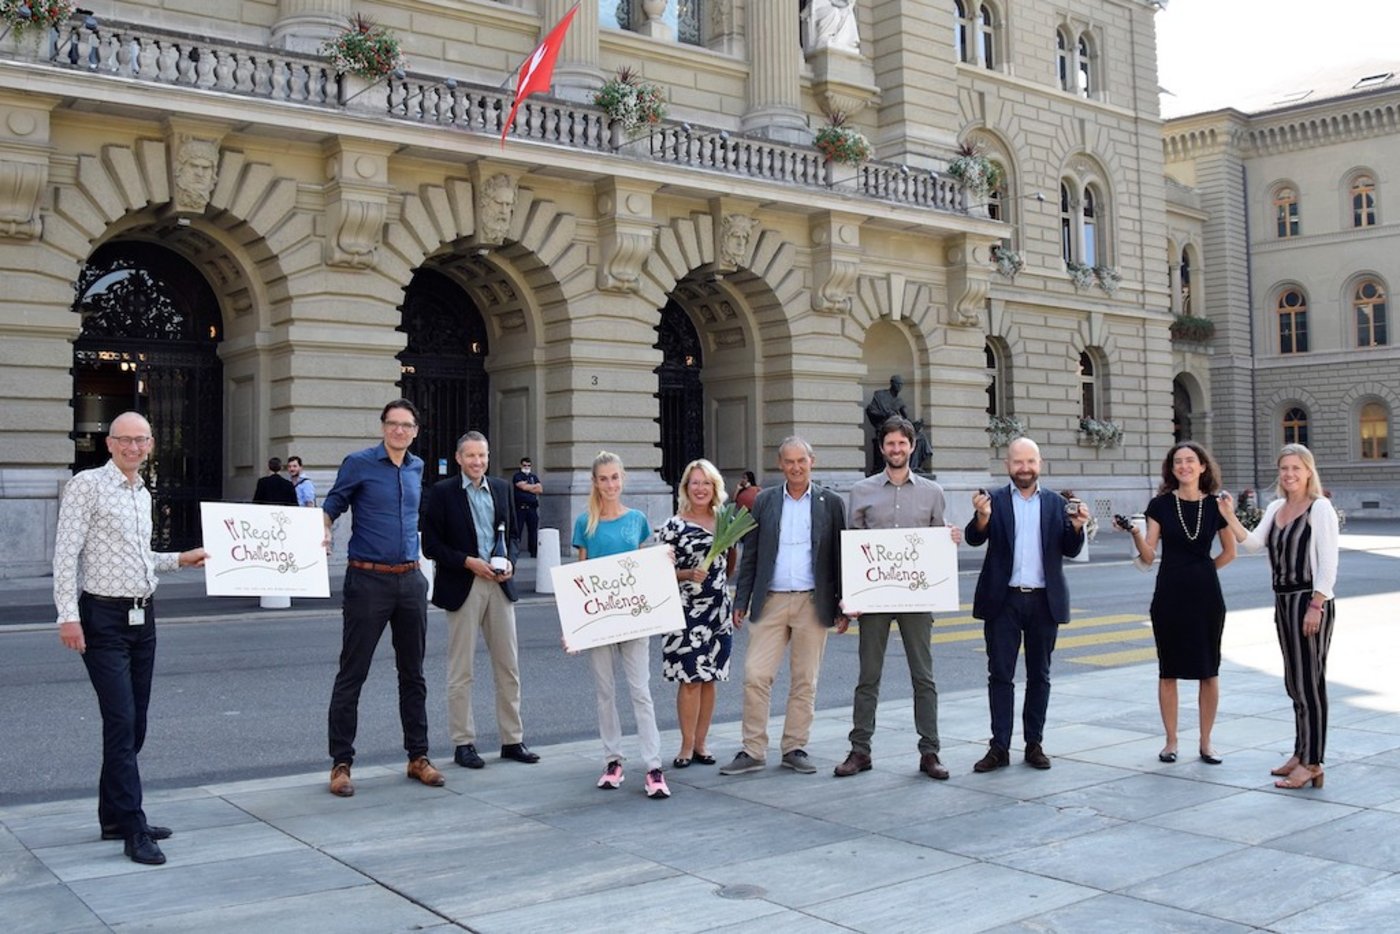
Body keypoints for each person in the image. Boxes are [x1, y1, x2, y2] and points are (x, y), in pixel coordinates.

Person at [53, 411, 208, 866]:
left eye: (141, 440)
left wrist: (181, 559)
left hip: (143, 618)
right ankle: (133, 827)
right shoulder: (86, 486)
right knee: (121, 722)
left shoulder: (142, 491)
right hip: (101, 618)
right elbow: (66, 556)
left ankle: (114, 817)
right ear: (110, 444)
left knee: (134, 723)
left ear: (151, 444)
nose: (133, 447)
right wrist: (68, 616)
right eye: (125, 439)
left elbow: (140, 558)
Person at [320, 399, 444, 798]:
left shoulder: (417, 467)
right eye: (393, 424)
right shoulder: (358, 463)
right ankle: (341, 764)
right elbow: (332, 506)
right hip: (367, 580)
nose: (399, 430)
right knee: (352, 674)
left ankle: (418, 757)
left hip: (410, 580)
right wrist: (323, 529)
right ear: (383, 427)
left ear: (415, 431)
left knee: (413, 674)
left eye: (406, 425)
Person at [836, 417, 961, 781]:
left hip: (916, 598)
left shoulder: (932, 492)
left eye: (902, 444)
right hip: (874, 598)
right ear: (882, 448)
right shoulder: (861, 491)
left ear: (912, 446)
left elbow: (937, 541)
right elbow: (854, 547)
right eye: (890, 444)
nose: (896, 449)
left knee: (923, 677)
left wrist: (950, 537)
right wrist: (850, 596)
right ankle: (860, 750)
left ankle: (930, 751)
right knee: (868, 677)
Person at [721, 437, 846, 777]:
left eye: (801, 461)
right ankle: (753, 750)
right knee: (755, 675)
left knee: (805, 680)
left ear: (812, 461)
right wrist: (741, 599)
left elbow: (840, 555)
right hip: (771, 600)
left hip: (812, 601)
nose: (795, 467)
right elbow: (751, 554)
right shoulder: (764, 501)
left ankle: (794, 747)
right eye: (789, 461)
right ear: (780, 465)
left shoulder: (831, 503)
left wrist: (842, 605)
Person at [1218, 444, 1340, 791]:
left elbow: (1328, 562)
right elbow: (1254, 544)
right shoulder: (1276, 507)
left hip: (1310, 600)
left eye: (1296, 468)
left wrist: (1317, 604)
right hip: (1284, 601)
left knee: (1310, 683)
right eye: (1284, 468)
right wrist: (1229, 515)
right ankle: (1301, 752)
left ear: (1309, 471)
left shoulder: (1320, 508)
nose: (1289, 474)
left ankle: (1313, 763)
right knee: (1294, 682)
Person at [965, 437, 1086, 772]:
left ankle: (1034, 744)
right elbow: (974, 538)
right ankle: (999, 747)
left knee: (1040, 675)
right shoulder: (994, 500)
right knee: (1000, 675)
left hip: (1044, 601)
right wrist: (982, 517)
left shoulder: (1056, 503)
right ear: (1007, 465)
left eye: (1030, 462)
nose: (1024, 468)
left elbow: (1070, 548)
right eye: (1018, 462)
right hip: (1003, 600)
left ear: (1039, 464)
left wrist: (1077, 527)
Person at [422, 432, 539, 771]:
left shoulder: (502, 488)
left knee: (508, 666)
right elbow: (431, 545)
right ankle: (463, 743)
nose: (477, 462)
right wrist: (467, 562)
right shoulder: (442, 493)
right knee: (461, 670)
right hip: (464, 584)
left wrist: (511, 561)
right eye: (471, 456)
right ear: (459, 458)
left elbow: (513, 534)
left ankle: (512, 739)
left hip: (500, 585)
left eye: (482, 455)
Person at [1120, 442, 1236, 765]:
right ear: (1172, 470)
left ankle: (1206, 742)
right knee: (1168, 669)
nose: (1184, 466)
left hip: (1207, 598)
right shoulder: (1159, 505)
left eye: (1190, 460)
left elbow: (1230, 552)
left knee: (1209, 670)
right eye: (1178, 462)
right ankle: (1170, 741)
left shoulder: (1216, 506)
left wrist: (1202, 572)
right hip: (1169, 596)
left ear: (1202, 466)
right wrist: (1135, 533)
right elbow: (1148, 555)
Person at [571, 452, 670, 799]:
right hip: (600, 619)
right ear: (595, 482)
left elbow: (644, 567)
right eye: (604, 478)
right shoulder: (585, 523)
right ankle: (612, 760)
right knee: (605, 692)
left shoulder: (637, 520)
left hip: (633, 617)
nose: (610, 484)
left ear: (622, 479)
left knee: (641, 691)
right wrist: (575, 627)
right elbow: (579, 578)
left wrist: (664, 562)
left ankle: (653, 766)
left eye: (615, 477)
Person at [658, 459, 735, 769]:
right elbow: (657, 571)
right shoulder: (673, 526)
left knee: (709, 679)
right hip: (685, 610)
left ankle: (702, 743)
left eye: (706, 483)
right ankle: (686, 746)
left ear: (714, 487)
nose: (700, 488)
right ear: (686, 488)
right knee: (690, 679)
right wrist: (687, 574)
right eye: (695, 483)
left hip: (718, 610)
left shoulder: (725, 521)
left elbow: (730, 561)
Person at [511, 456, 542, 557]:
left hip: (532, 508)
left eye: (528, 465)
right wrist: (532, 487)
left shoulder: (533, 477)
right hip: (521, 508)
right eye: (524, 465)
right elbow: (522, 486)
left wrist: (527, 486)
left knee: (533, 531)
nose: (527, 467)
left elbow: (540, 489)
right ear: (520, 465)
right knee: (517, 531)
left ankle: (533, 552)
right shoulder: (518, 476)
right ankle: (514, 551)